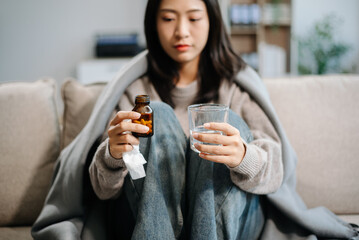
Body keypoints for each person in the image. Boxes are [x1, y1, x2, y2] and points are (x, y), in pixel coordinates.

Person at [31, 0, 359, 239]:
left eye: (194, 17)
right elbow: (105, 190)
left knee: (226, 119)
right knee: (155, 114)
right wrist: (114, 155)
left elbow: (276, 171)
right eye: (168, 18)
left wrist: (244, 157)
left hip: (227, 224)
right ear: (153, 24)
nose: (181, 31)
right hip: (147, 220)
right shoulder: (135, 91)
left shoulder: (237, 87)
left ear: (212, 21)